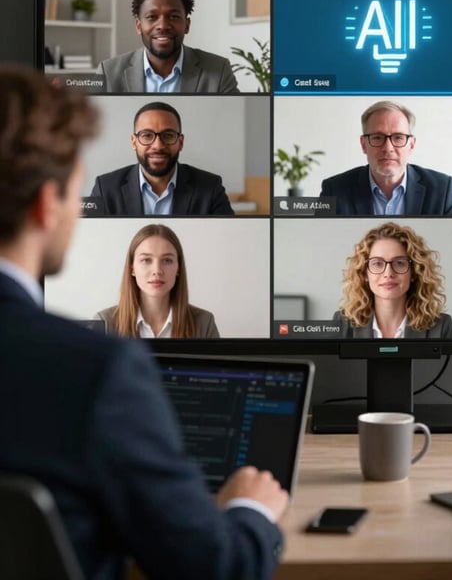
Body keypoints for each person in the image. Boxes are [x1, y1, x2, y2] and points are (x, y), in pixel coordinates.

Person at [0, 69, 287, 580]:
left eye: (168, 260)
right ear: (48, 204)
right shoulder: (96, 368)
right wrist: (252, 509)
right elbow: (214, 567)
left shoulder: (195, 309)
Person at [90, 101, 235, 216]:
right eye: (147, 135)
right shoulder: (106, 188)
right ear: (134, 142)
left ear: (181, 142)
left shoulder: (211, 188)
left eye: (168, 135)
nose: (158, 146)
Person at [319, 100, 452, 215]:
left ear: (411, 145)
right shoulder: (334, 190)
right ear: (364, 144)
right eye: (377, 137)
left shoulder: (441, 189)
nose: (388, 148)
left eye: (398, 137)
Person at [97, 0, 239, 93]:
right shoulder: (108, 72)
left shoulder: (218, 70)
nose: (163, 25)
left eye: (173, 17)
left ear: (187, 25)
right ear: (138, 26)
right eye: (152, 17)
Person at [333, 222, 452, 338]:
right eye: (377, 264)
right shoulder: (342, 323)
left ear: (414, 272)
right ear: (365, 273)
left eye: (399, 263)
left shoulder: (441, 326)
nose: (388, 273)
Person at [96, 223, 219, 338]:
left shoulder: (204, 322)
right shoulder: (104, 322)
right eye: (146, 260)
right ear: (132, 269)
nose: (157, 270)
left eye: (167, 260)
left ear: (178, 268)